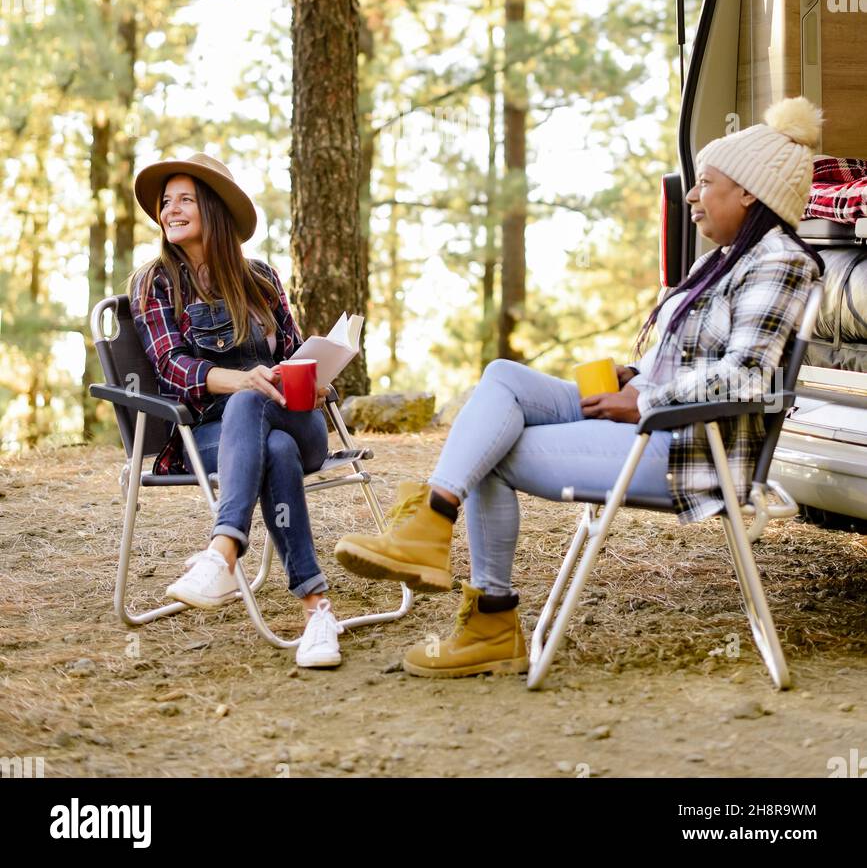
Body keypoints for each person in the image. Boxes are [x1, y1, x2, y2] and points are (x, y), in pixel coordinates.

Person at [333, 97, 824, 678]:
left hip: (685, 450)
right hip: (655, 423)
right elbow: (688, 359)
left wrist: (644, 398)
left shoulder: (781, 262)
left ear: (748, 192)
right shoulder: (719, 261)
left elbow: (747, 374)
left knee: (489, 450)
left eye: (706, 183)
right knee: (501, 379)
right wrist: (636, 376)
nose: (690, 196)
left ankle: (487, 613)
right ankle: (435, 527)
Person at [129, 151, 343, 669]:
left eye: (185, 200)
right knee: (273, 447)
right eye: (165, 202)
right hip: (207, 435)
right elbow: (172, 367)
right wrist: (243, 380)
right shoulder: (156, 282)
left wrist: (315, 382)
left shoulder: (262, 279)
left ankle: (223, 553)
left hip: (299, 419)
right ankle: (318, 612)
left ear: (215, 209)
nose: (170, 210)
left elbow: (293, 355)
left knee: (266, 417)